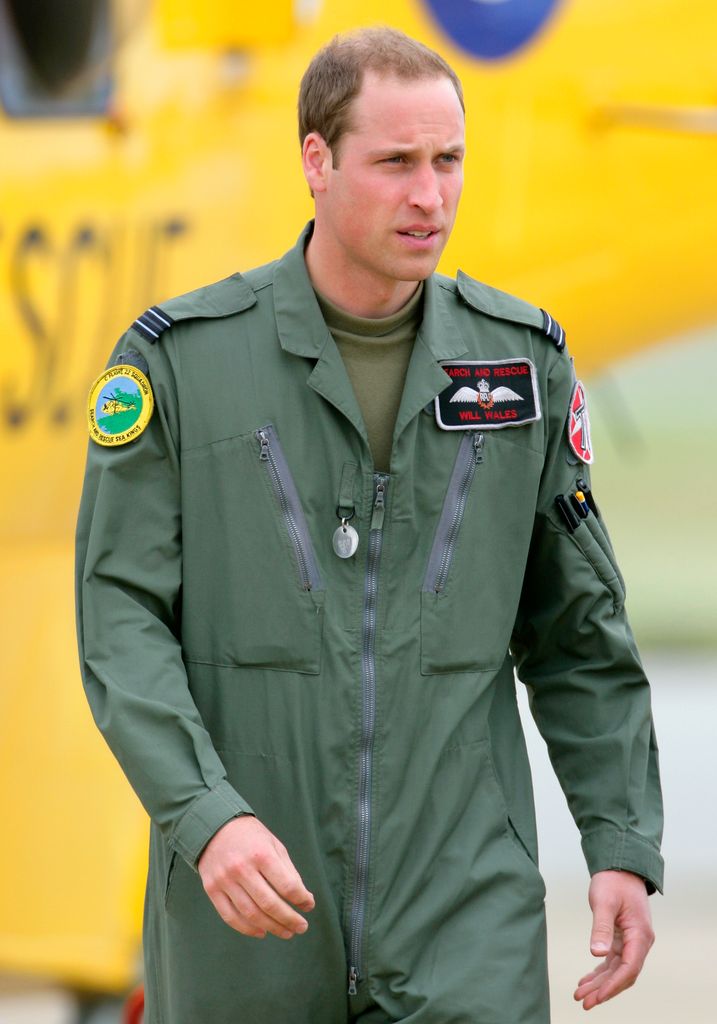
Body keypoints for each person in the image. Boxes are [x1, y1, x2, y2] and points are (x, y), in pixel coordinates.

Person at [75, 27, 663, 1024]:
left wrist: (620, 843)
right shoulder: (180, 364)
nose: (429, 195)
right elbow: (121, 621)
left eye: (448, 161)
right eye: (396, 162)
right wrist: (206, 818)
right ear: (317, 161)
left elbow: (579, 635)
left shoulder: (519, 372)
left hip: (464, 916)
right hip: (246, 913)